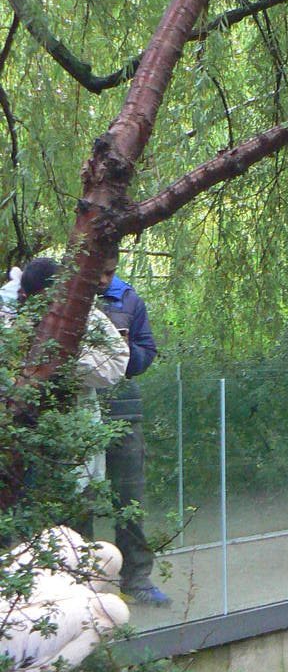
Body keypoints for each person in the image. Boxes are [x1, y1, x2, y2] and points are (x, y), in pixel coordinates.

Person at [18, 256, 130, 517]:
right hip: (25, 440)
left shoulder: (87, 314)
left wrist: (69, 362)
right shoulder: (14, 318)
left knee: (74, 521)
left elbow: (117, 363)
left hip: (75, 433)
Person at [94, 249, 171, 606]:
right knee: (76, 500)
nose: (103, 280)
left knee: (130, 497)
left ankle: (136, 579)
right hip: (76, 409)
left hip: (123, 409)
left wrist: (126, 352)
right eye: (99, 271)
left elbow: (147, 352)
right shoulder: (65, 294)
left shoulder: (129, 298)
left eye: (109, 272)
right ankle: (77, 585)